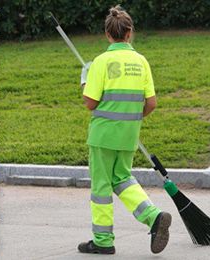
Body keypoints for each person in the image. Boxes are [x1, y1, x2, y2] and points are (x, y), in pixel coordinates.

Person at [77, 5, 171, 255]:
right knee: (122, 178)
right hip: (129, 135)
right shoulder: (141, 62)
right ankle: (153, 217)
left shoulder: (100, 62)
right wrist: (132, 119)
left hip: (103, 136)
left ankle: (103, 241)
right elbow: (151, 103)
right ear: (130, 33)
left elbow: (90, 102)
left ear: (108, 35)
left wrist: (84, 80)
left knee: (101, 188)